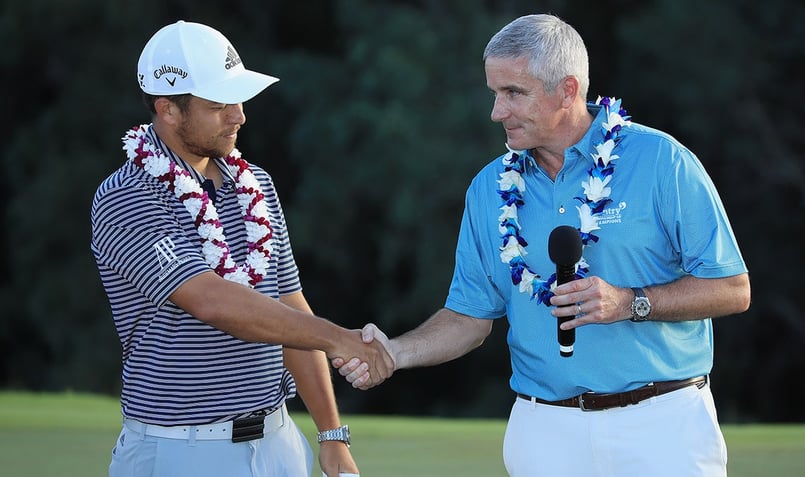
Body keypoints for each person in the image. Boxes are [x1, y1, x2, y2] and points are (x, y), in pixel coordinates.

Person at [334, 13, 750, 477]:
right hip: (544, 432)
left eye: (514, 93)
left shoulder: (662, 161)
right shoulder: (489, 187)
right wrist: (395, 353)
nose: (497, 111)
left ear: (568, 91)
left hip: (662, 426)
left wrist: (628, 302)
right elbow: (470, 316)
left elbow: (733, 288)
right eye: (495, 93)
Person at [91, 20, 390, 477]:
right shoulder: (127, 195)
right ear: (168, 110)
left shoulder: (256, 185)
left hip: (277, 442)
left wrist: (331, 435)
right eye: (219, 105)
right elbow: (211, 300)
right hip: (181, 450)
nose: (239, 116)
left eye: (239, 100)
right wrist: (339, 339)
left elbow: (290, 307)